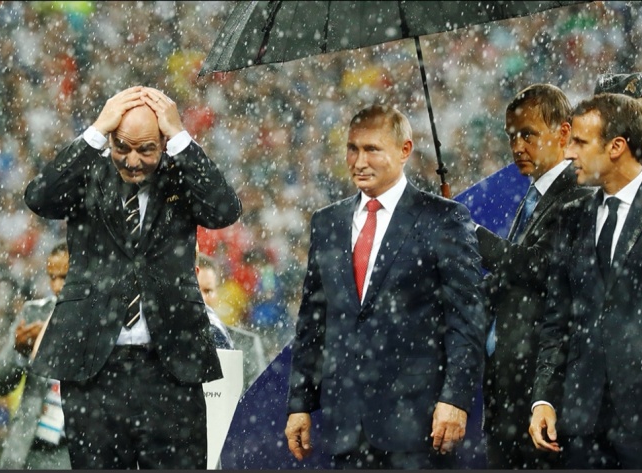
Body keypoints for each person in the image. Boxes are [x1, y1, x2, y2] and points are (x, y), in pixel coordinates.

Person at [23, 85, 242, 469]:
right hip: (93, 366)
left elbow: (224, 209)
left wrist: (181, 138)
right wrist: (96, 131)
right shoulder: (89, 172)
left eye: (146, 149)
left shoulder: (180, 174)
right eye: (122, 146)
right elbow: (40, 197)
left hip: (172, 366)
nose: (133, 160)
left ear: (164, 143)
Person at [284, 104, 485, 469]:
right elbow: (313, 321)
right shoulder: (327, 223)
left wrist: (455, 399)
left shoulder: (443, 219)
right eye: (353, 148)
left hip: (419, 427)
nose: (359, 161)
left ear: (405, 150)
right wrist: (299, 403)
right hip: (346, 426)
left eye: (372, 149)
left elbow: (467, 320)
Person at [528, 93, 642, 469]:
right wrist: (543, 398)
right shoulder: (571, 216)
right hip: (580, 426)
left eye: (579, 142)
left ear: (616, 147)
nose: (568, 153)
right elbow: (556, 321)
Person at [476, 83, 592, 469]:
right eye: (511, 136)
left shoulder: (580, 192)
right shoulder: (534, 195)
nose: (517, 146)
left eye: (528, 134)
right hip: (506, 392)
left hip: (542, 391)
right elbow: (512, 279)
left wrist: (471, 235)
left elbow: (541, 266)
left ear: (563, 132)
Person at [0, 242, 71, 470]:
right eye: (52, 277)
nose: (57, 286)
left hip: (74, 451)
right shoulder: (33, 314)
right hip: (26, 450)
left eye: (64, 277)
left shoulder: (103, 321)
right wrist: (20, 354)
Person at [197, 252, 234, 349]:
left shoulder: (221, 334)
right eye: (195, 289)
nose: (202, 298)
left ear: (217, 293)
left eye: (208, 291)